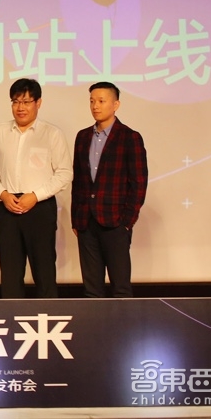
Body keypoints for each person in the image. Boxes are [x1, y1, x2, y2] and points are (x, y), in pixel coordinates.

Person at [0, 79, 72, 299]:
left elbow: (65, 173)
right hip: (7, 207)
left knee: (44, 272)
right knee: (10, 274)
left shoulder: (52, 134)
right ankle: (11, 317)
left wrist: (35, 196)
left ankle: (48, 317)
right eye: (16, 101)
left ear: (38, 103)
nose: (20, 107)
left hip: (40, 208)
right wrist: (3, 194)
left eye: (26, 102)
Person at [71, 81, 147, 298]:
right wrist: (76, 219)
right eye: (92, 101)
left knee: (120, 287)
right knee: (91, 289)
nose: (95, 106)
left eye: (101, 101)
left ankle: (123, 321)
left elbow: (139, 182)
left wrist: (127, 221)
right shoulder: (82, 137)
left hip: (115, 222)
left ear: (116, 105)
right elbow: (78, 181)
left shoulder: (130, 137)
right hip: (86, 222)